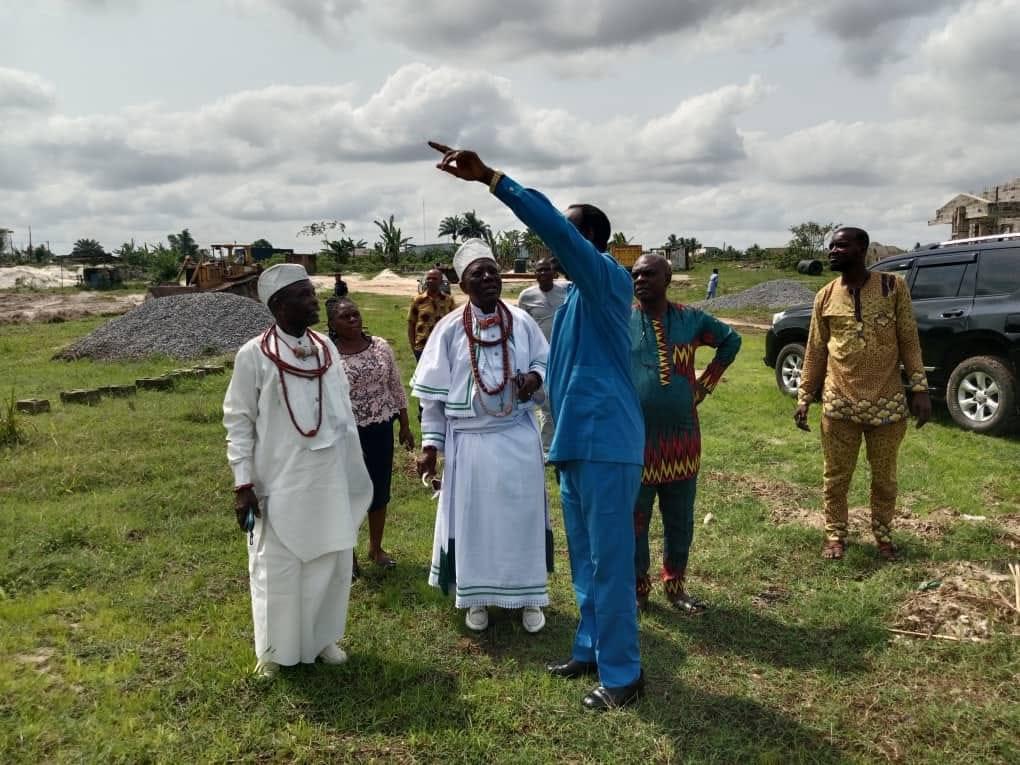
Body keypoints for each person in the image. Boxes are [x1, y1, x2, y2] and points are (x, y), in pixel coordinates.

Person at [429, 141, 645, 712]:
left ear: (588, 243)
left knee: (612, 559)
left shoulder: (606, 282)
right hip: (574, 440)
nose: (551, 247)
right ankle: (591, 648)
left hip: (608, 441)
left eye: (565, 238)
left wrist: (494, 181)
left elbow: (553, 226)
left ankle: (623, 674)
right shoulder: (573, 300)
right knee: (587, 556)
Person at [223, 263, 372, 679]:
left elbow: (341, 411)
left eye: (312, 292)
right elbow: (238, 420)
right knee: (279, 568)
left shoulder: (325, 347)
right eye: (304, 295)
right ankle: (273, 651)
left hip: (328, 475)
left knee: (331, 557)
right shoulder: (254, 354)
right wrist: (243, 482)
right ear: (278, 305)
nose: (314, 301)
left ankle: (323, 638)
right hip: (280, 480)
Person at [411, 239, 552, 634]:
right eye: (478, 273)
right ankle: (475, 599)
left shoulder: (521, 321)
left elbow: (544, 359)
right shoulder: (449, 329)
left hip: (517, 436)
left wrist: (534, 377)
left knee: (521, 519)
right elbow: (433, 400)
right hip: (469, 445)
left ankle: (530, 599)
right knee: (475, 523)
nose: (489, 277)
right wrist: (430, 446)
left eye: (493, 270)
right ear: (462, 283)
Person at [794, 227, 931, 561]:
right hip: (839, 405)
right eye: (831, 246)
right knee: (836, 477)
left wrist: (919, 388)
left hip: (887, 405)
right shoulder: (825, 296)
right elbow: (815, 351)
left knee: (884, 478)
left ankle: (884, 537)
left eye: (841, 246)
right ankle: (835, 535)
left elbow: (909, 340)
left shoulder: (891, 287)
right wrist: (804, 396)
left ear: (862, 249)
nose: (832, 252)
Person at [630, 254, 741, 613]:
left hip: (681, 440)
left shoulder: (690, 320)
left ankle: (675, 586)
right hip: (636, 442)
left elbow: (731, 340)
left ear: (668, 277)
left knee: (680, 520)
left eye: (649, 273)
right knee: (634, 522)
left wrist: (705, 384)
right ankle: (637, 589)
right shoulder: (624, 321)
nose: (641, 279)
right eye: (636, 274)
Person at [327, 296, 415, 573]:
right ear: (332, 324)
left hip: (380, 427)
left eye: (355, 314)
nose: (353, 320)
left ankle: (376, 548)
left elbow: (395, 385)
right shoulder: (329, 354)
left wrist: (404, 423)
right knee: (348, 494)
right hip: (345, 432)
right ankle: (348, 558)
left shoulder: (380, 346)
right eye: (345, 317)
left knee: (379, 490)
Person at [517, 256, 568, 457]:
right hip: (541, 358)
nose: (543, 274)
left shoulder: (566, 290)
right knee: (545, 403)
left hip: (565, 354)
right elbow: (521, 327)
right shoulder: (526, 296)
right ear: (535, 274)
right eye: (539, 270)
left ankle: (566, 444)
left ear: (554, 273)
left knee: (565, 400)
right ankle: (547, 450)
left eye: (547, 270)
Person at [408, 268, 456, 361]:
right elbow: (411, 324)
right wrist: (413, 346)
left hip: (442, 347)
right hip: (422, 347)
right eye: (429, 278)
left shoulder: (449, 300)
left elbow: (454, 325)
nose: (431, 281)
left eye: (434, 278)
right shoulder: (417, 300)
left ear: (441, 281)